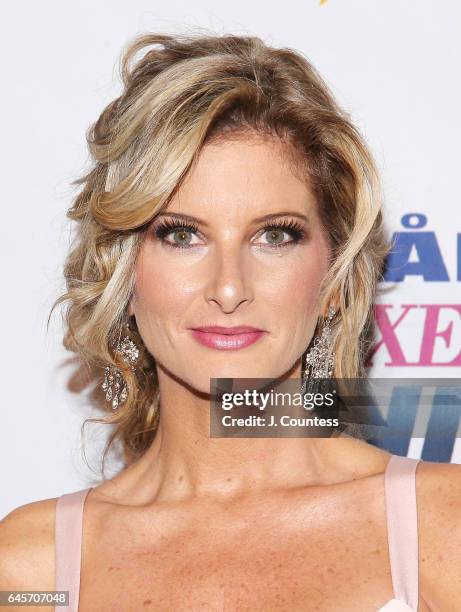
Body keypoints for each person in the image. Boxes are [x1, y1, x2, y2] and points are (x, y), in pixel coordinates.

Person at [1, 31, 460, 611]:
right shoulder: (28, 568)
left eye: (275, 236)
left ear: (335, 281)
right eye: (181, 235)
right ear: (123, 271)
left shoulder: (445, 530)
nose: (227, 287)